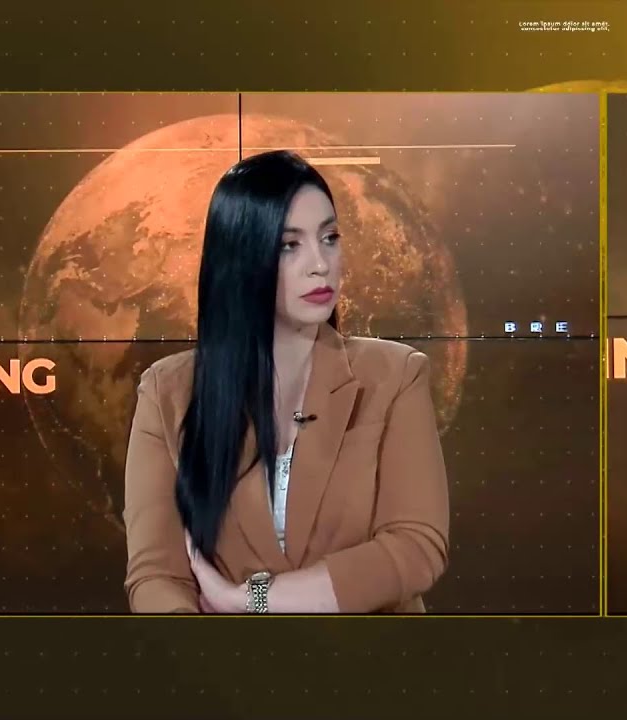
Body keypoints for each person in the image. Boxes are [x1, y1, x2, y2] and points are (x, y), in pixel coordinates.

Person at [123, 150, 449, 614]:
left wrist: (251, 599)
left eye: (329, 238)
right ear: (240, 259)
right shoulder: (167, 393)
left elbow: (415, 548)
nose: (320, 264)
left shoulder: (395, 375)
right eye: (288, 245)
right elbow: (156, 576)